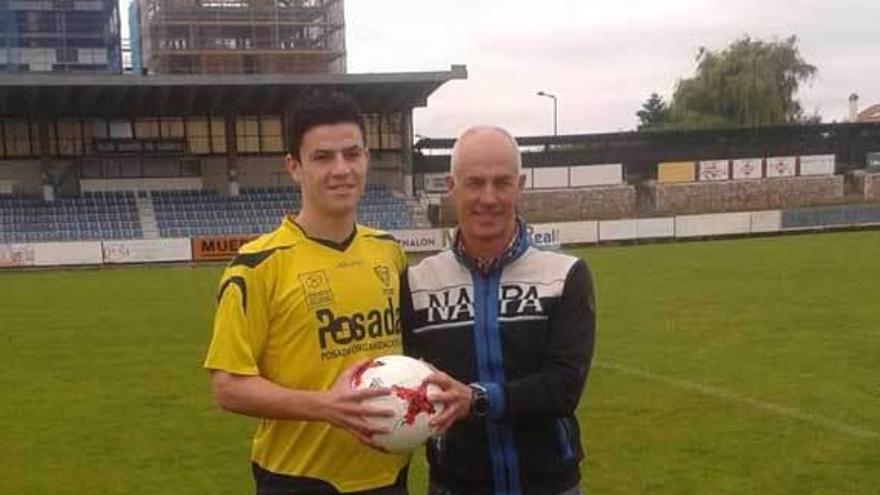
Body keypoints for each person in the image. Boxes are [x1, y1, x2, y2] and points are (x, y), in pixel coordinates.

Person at [204, 93, 410, 495]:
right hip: (299, 479)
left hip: (389, 474)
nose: (342, 170)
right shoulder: (256, 266)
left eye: (353, 154)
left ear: (367, 158)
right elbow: (228, 386)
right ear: (294, 167)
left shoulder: (389, 251)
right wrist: (327, 408)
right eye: (323, 158)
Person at [401, 126, 596, 495]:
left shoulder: (566, 275)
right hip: (454, 485)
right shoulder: (417, 281)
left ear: (520, 185)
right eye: (474, 183)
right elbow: (406, 380)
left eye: (501, 183)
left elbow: (565, 387)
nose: (488, 198)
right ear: (451, 186)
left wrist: (476, 399)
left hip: (550, 485)